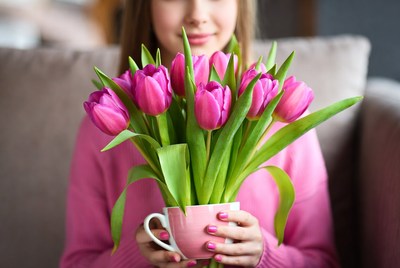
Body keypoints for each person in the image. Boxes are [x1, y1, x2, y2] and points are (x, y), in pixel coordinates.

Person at [60, 0, 340, 267]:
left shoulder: (281, 120)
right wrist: (139, 256)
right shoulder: (104, 124)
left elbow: (324, 262)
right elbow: (76, 263)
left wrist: (264, 255)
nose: (197, 13)